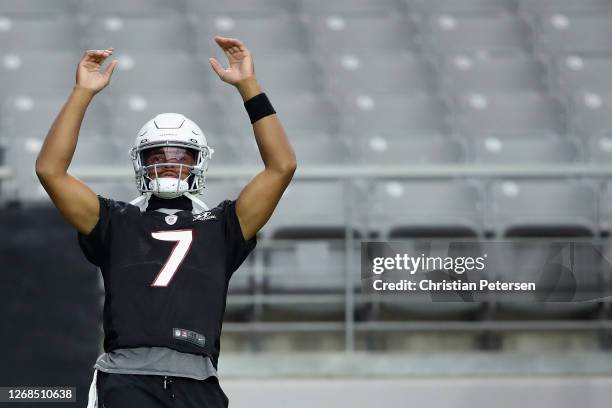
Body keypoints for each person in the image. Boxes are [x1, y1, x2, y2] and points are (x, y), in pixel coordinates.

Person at [35, 36, 297, 407]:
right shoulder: (115, 220)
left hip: (198, 380)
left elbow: (282, 166)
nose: (169, 162)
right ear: (140, 161)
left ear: (198, 162)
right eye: (157, 153)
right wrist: (82, 93)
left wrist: (248, 86)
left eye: (181, 155)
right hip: (127, 380)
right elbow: (50, 170)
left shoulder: (222, 224)